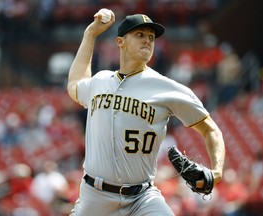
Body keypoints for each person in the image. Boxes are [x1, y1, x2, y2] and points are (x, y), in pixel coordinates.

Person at [67, 9, 225, 216]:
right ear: (120, 41)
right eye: (139, 35)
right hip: (95, 198)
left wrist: (216, 173)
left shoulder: (166, 88)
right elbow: (74, 84)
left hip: (142, 198)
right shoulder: (100, 81)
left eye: (151, 37)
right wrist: (90, 34)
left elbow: (211, 130)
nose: (148, 41)